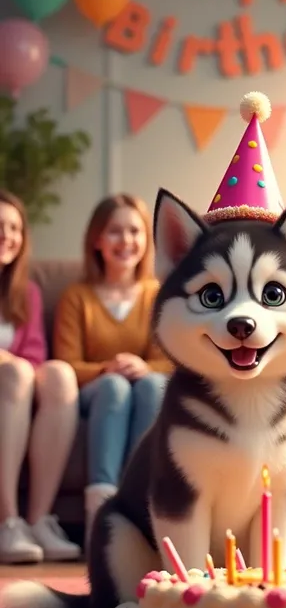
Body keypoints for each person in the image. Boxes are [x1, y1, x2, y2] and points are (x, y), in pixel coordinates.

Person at [53, 193, 173, 537]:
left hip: (147, 386)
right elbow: (66, 364)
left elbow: (170, 360)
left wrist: (145, 367)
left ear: (147, 239)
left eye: (135, 231)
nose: (126, 241)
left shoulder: (158, 294)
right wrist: (107, 368)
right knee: (114, 386)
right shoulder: (78, 296)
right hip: (96, 392)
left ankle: (139, 501)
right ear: (97, 240)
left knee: (152, 385)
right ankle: (99, 515)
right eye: (115, 231)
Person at [0, 190, 80, 564]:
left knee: (61, 374)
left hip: (17, 386)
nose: (6, 234)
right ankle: (7, 521)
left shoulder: (26, 292)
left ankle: (38, 521)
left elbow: (34, 354)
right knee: (16, 371)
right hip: (12, 380)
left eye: (14, 227)